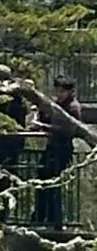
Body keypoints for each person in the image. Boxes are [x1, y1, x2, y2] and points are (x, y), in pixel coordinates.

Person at [18, 74, 94, 227]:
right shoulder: (56, 104)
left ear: (70, 92)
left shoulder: (72, 107)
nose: (59, 94)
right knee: (42, 179)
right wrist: (38, 115)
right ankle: (40, 216)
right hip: (52, 147)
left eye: (62, 91)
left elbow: (68, 130)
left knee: (53, 184)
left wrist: (44, 127)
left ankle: (54, 220)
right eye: (57, 91)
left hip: (62, 149)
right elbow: (46, 118)